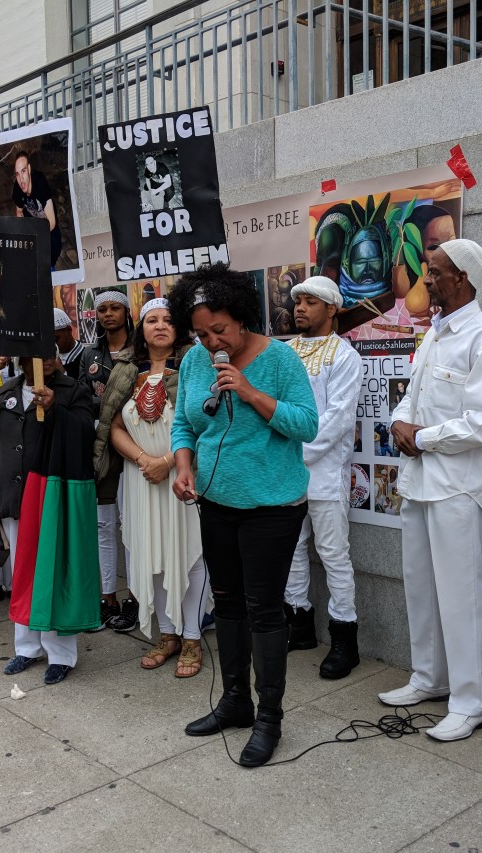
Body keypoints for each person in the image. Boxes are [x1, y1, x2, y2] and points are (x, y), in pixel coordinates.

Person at [168, 262, 318, 767]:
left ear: (243, 318)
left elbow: (307, 425)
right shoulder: (193, 362)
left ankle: (269, 719)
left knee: (264, 608)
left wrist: (250, 392)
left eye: (220, 331)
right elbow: (185, 426)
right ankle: (235, 701)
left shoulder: (279, 360)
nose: (213, 342)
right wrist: (183, 466)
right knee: (227, 604)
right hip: (214, 501)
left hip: (272, 507)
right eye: (202, 333)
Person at [379, 239, 482, 744]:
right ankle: (428, 678)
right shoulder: (435, 335)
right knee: (420, 586)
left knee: (461, 596)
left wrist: (424, 437)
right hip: (418, 485)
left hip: (458, 489)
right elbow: (408, 401)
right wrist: (399, 424)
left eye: (434, 273)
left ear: (462, 278)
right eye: (425, 272)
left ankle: (470, 701)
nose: (426, 282)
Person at [94, 297, 207, 677]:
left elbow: (207, 426)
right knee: (151, 557)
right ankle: (168, 634)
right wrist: (145, 461)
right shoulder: (125, 370)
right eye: (151, 320)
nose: (160, 326)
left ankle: (192, 636)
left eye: (168, 320)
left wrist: (168, 463)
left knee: (189, 556)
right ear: (140, 328)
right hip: (141, 480)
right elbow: (112, 426)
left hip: (183, 476)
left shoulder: (196, 364)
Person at [0, 351, 95, 684]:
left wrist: (55, 407)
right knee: (23, 571)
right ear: (21, 362)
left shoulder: (72, 390)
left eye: (49, 355)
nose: (44, 362)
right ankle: (27, 648)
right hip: (15, 496)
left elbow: (85, 433)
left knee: (51, 571)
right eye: (33, 358)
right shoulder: (7, 391)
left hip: (50, 494)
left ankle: (61, 653)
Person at [283, 276, 364, 679]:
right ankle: (298, 626)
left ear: (331, 309)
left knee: (333, 555)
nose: (300, 307)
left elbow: (337, 419)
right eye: (297, 301)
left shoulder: (345, 356)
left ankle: (344, 641)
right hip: (286, 474)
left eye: (310, 302)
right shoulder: (284, 352)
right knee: (292, 551)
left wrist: (294, 453)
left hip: (326, 473)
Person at [80, 289, 139, 632]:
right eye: (102, 310)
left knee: (130, 526)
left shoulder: (140, 352)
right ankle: (107, 598)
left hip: (133, 450)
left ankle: (133, 598)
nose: (108, 314)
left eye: (115, 308)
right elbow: (81, 396)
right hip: (101, 452)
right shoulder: (89, 354)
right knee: (103, 526)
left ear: (125, 312)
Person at [12, 152, 62, 268]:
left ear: (29, 169)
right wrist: (24, 235)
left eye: (23, 171)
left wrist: (36, 240)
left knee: (53, 251)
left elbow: (52, 222)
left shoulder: (40, 183)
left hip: (48, 226)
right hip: (32, 225)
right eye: (17, 174)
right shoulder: (17, 188)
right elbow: (19, 212)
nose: (21, 179)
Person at [54, 307, 85, 379]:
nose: (53, 344)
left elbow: (84, 388)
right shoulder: (47, 358)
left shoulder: (86, 356)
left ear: (69, 330)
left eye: (55, 339)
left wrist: (62, 373)